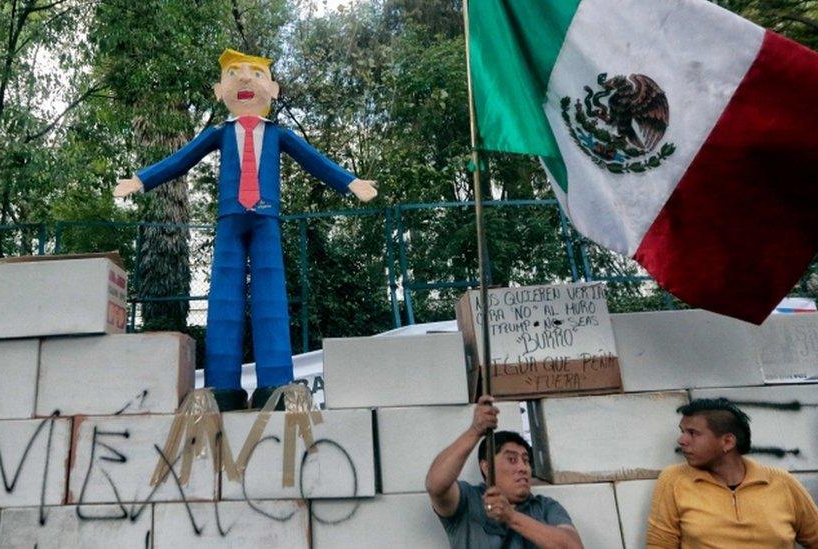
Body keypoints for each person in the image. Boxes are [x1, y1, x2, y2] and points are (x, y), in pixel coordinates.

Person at [114, 49, 377, 412]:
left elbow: (315, 160)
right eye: (234, 74)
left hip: (266, 219)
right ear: (218, 90)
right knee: (223, 300)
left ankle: (275, 385)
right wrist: (141, 180)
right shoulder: (219, 133)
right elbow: (181, 159)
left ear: (274, 89)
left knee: (272, 301)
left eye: (254, 73)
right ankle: (222, 386)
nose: (244, 80)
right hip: (229, 219)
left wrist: (351, 182)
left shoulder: (278, 134)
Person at [646, 398, 818, 548]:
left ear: (728, 442)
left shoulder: (781, 482)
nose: (682, 440)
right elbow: (660, 545)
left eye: (693, 433)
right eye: (683, 431)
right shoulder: (674, 480)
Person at [426, 395, 583, 548]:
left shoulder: (545, 507)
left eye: (526, 461)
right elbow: (435, 485)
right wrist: (475, 430)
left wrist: (511, 517)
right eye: (512, 460)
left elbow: (573, 547)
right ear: (486, 467)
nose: (523, 468)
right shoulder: (468, 500)